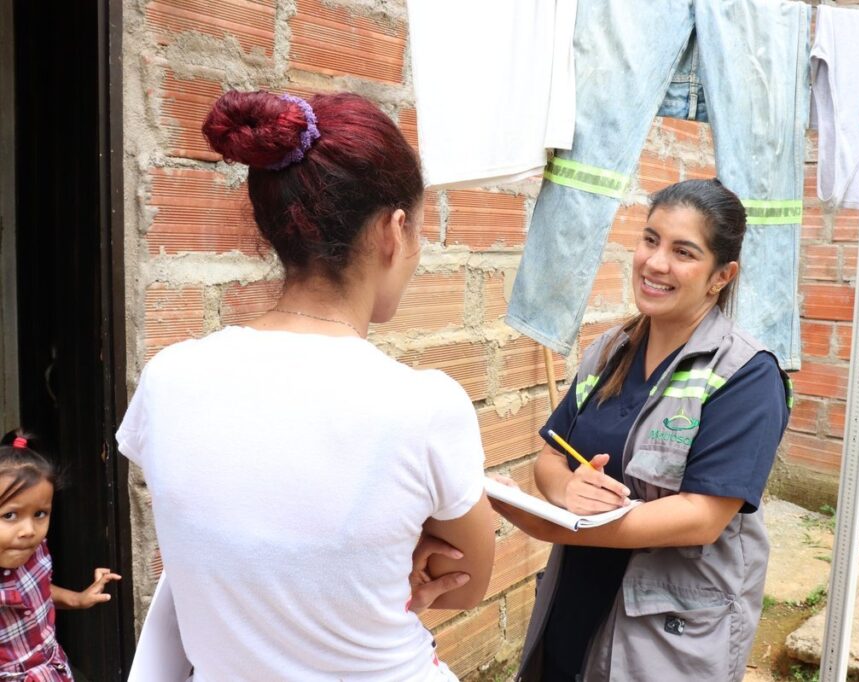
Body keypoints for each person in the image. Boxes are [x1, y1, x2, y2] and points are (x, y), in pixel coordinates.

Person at [116, 90, 495, 681]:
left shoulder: (169, 377)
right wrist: (396, 549)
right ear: (395, 231)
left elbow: (239, 524)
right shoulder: (423, 406)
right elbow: (468, 582)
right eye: (420, 231)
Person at [491, 179, 792, 681]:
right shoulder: (610, 350)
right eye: (650, 240)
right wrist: (568, 488)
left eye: (683, 252)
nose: (655, 263)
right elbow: (551, 455)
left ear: (722, 275)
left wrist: (561, 525)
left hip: (665, 632)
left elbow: (702, 517)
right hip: (575, 603)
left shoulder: (746, 374)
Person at [0, 430, 122, 680]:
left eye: (40, 514)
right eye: (9, 515)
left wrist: (78, 599)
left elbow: (36, 590)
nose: (29, 531)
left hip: (53, 668)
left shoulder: (32, 549)